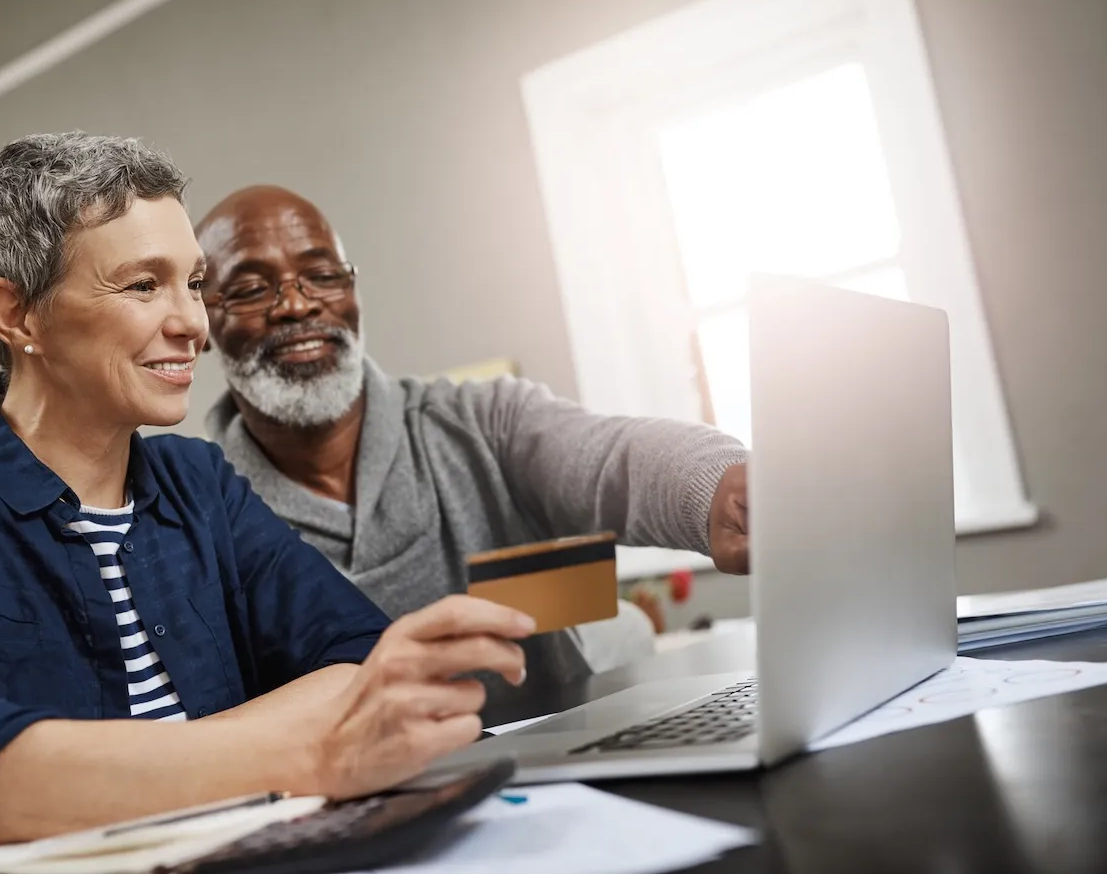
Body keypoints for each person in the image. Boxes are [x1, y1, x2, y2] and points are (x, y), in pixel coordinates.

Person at [0, 135, 533, 874]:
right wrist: (308, 749)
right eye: (144, 286)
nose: (194, 323)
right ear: (17, 315)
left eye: (192, 282)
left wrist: (90, 770)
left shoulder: (199, 481)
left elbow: (364, 666)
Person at [194, 185, 751, 691]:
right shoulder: (196, 520)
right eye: (248, 288)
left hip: (560, 775)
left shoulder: (483, 420)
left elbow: (612, 459)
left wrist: (722, 488)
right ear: (203, 322)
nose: (297, 305)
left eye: (322, 275)